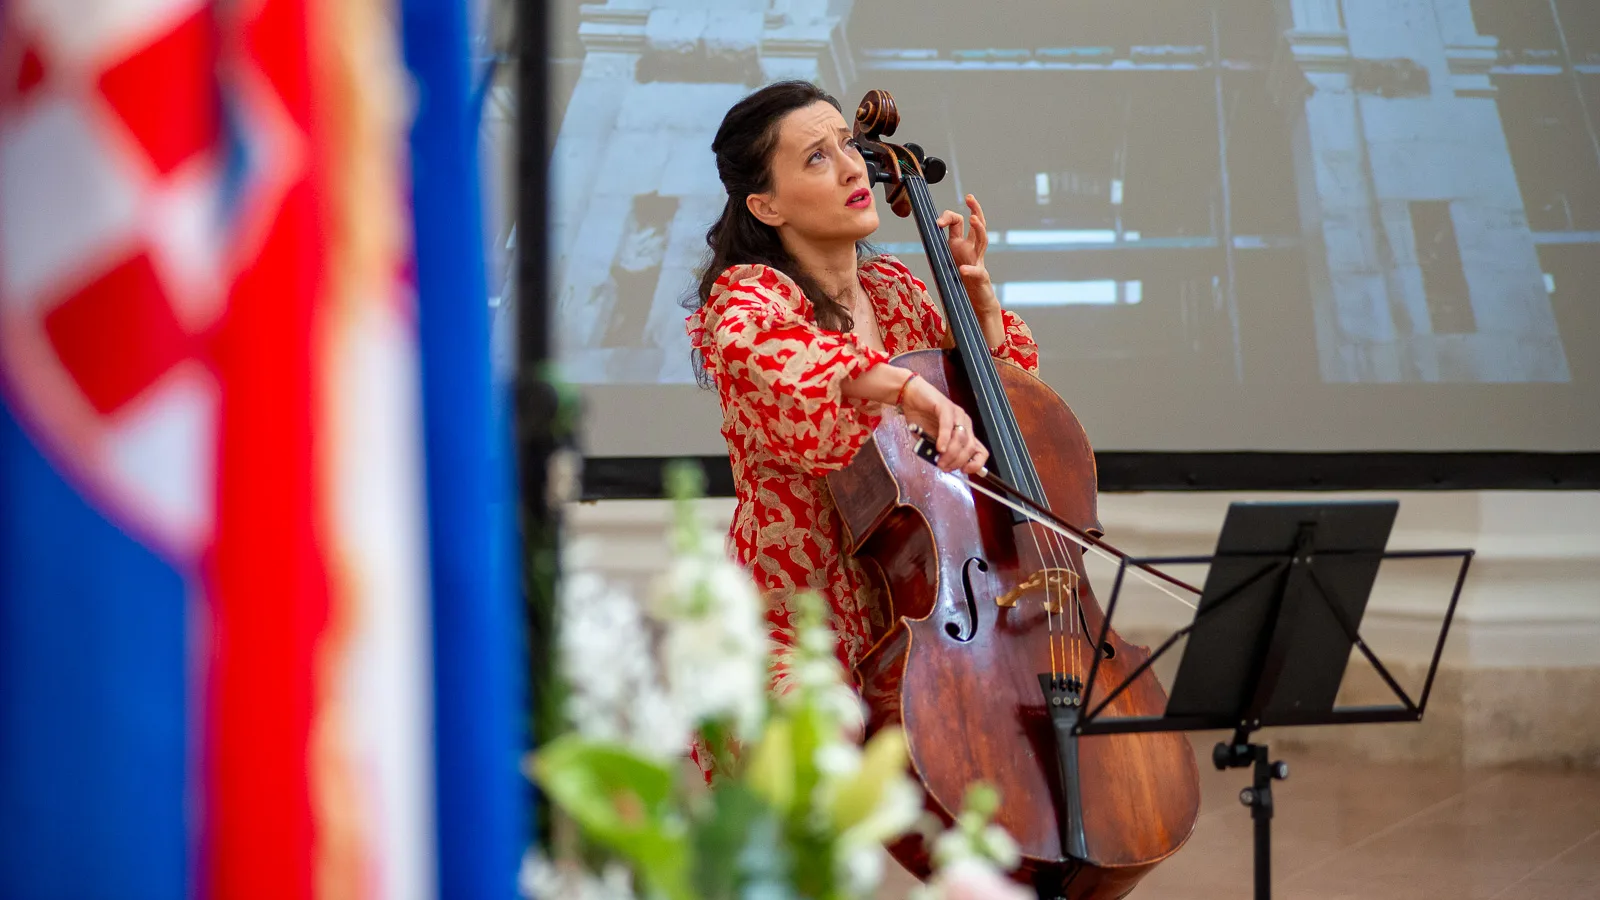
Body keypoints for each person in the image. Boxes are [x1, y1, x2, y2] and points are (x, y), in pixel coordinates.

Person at [684, 80, 1040, 774]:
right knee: (820, 764)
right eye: (817, 157)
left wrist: (982, 318)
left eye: (848, 145)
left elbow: (1010, 427)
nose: (854, 168)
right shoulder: (750, 296)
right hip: (794, 633)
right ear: (766, 204)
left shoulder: (897, 294)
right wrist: (908, 388)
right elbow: (777, 356)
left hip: (921, 617)